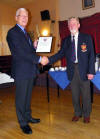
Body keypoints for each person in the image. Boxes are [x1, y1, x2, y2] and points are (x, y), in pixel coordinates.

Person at [6, 8, 47, 134]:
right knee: (21, 98)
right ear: (16, 17)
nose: (25, 18)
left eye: (26, 16)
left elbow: (28, 51)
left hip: (29, 70)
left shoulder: (26, 33)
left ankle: (28, 116)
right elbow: (21, 53)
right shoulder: (13, 32)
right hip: (21, 71)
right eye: (22, 16)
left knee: (27, 96)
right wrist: (40, 58)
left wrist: (34, 46)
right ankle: (23, 123)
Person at [47, 17, 95, 123]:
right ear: (68, 27)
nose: (72, 26)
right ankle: (77, 113)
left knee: (86, 94)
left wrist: (91, 71)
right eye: (70, 24)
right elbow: (60, 54)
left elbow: (91, 55)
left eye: (74, 24)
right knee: (75, 94)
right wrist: (48, 60)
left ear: (78, 25)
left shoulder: (87, 38)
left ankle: (86, 114)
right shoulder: (66, 41)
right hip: (71, 70)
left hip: (84, 70)